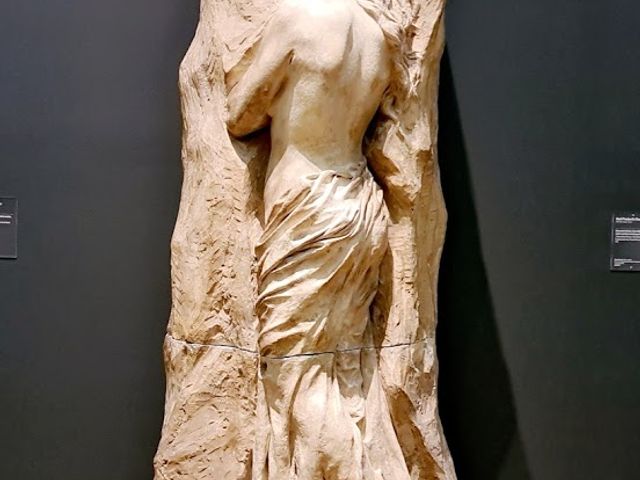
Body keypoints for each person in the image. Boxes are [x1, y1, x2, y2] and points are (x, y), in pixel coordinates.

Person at [227, 0, 410, 477]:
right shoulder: (376, 33)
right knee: (345, 373)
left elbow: (240, 116)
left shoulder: (298, 18)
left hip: (308, 211)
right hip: (358, 205)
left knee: (297, 376)